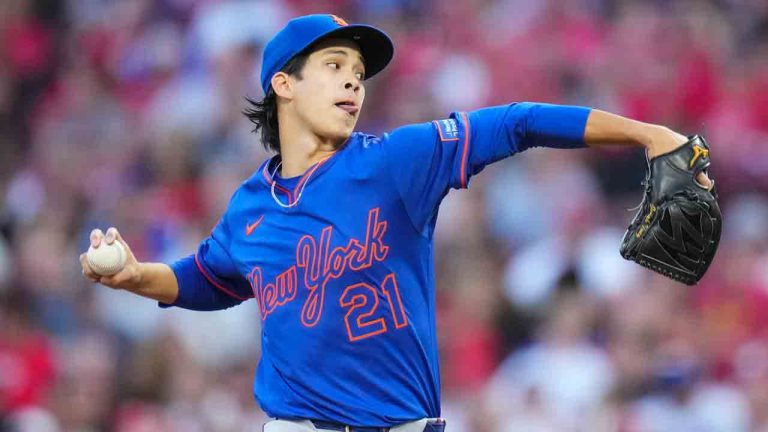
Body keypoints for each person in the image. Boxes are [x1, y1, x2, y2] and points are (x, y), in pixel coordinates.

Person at [79, 14, 712, 432]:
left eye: (358, 74)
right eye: (333, 67)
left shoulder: (395, 162)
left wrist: (643, 131)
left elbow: (516, 121)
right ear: (283, 84)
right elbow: (206, 281)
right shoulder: (249, 206)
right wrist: (136, 275)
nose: (353, 83)